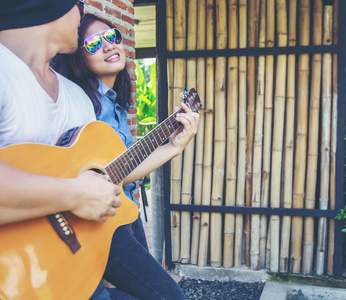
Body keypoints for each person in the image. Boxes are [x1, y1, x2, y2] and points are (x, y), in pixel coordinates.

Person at [52, 14, 199, 300]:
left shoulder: (113, 103)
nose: (108, 46)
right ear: (77, 56)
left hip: (124, 210)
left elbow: (120, 168)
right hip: (99, 223)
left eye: (112, 37)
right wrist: (171, 148)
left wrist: (173, 145)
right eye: (93, 43)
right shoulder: (80, 104)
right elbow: (100, 174)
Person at [0, 1, 123, 298]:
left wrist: (170, 146)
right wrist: (77, 194)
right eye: (78, 4)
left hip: (67, 258)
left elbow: (102, 166)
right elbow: (80, 188)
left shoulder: (77, 96)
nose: (80, 14)